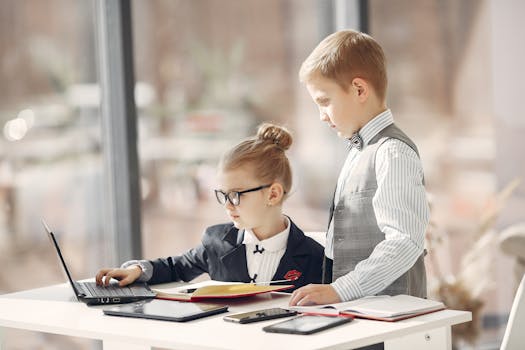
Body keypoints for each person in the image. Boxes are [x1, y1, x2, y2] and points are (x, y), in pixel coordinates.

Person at [290, 29, 430, 308]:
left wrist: (340, 290)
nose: (321, 115)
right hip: (359, 313)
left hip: (390, 320)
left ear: (359, 89)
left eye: (324, 101)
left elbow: (404, 242)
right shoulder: (359, 149)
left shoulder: (392, 152)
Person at [96, 123, 323, 291]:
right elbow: (177, 267)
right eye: (222, 194)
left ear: (273, 194)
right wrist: (137, 270)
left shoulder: (316, 257)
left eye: (235, 195)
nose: (227, 204)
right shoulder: (216, 242)